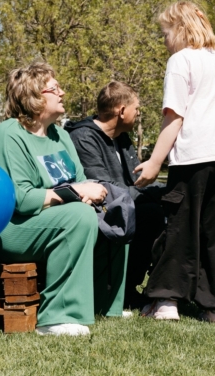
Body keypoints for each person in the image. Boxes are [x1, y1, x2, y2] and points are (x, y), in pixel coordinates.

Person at [134, 1, 215, 326]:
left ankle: (167, 300)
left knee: (180, 230)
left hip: (192, 158)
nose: (164, 40)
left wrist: (155, 161)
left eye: (165, 33)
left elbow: (174, 115)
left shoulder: (180, 60)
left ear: (182, 30)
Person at [0, 63, 109, 336]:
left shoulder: (61, 135)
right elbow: (20, 199)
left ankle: (106, 304)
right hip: (11, 228)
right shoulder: (9, 134)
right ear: (34, 96)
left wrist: (84, 194)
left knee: (113, 214)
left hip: (50, 218)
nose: (62, 93)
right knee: (79, 216)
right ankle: (56, 316)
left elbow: (80, 180)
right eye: (55, 88)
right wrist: (77, 195)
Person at [65, 81, 166, 310]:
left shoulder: (121, 138)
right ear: (122, 111)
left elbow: (137, 181)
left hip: (125, 203)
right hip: (98, 208)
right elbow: (107, 189)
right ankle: (126, 291)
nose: (138, 114)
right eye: (136, 109)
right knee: (150, 214)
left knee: (171, 208)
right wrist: (157, 193)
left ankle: (166, 291)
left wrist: (167, 191)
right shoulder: (83, 138)